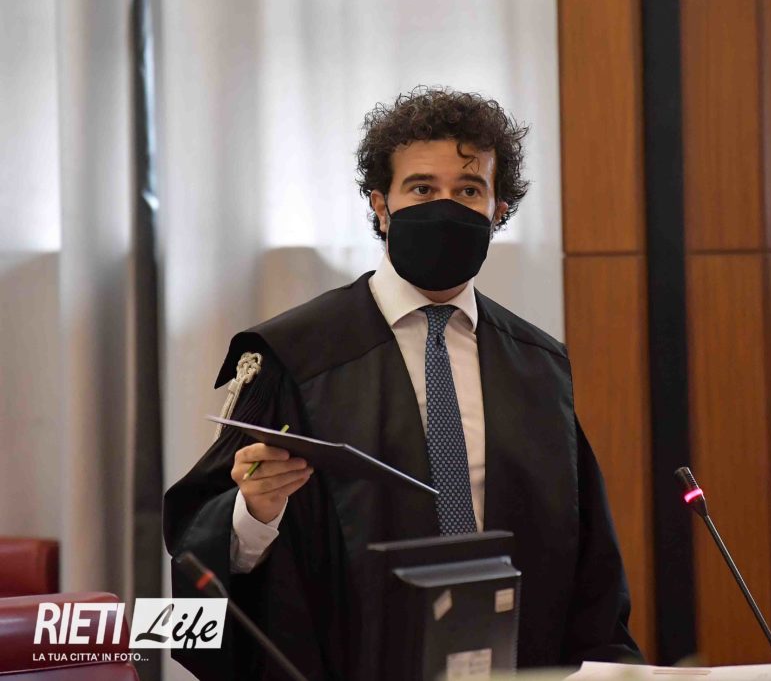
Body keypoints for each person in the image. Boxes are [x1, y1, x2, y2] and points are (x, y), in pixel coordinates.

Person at [163, 86, 640, 680]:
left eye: (468, 191)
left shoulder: (539, 366)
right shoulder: (295, 356)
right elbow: (193, 559)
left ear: (499, 209)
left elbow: (591, 566)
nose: (445, 207)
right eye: (421, 188)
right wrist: (253, 514)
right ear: (381, 205)